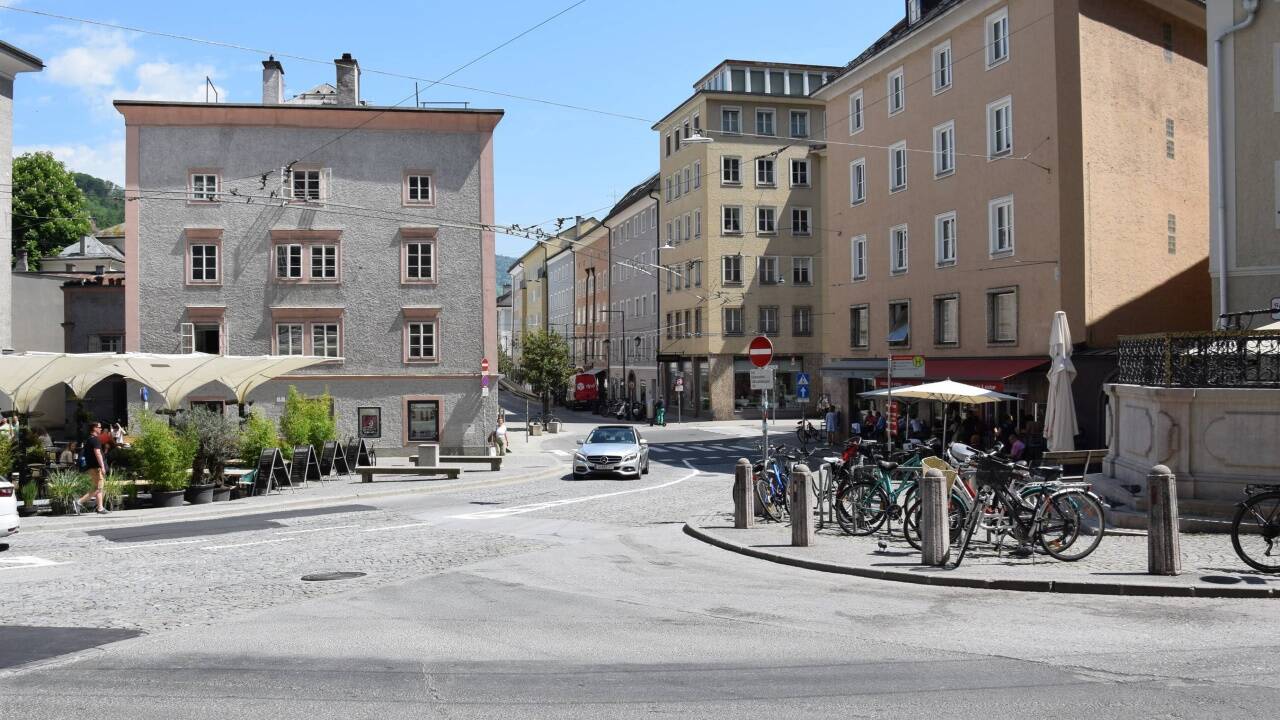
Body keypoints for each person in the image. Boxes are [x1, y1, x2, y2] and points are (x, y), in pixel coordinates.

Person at [75, 422, 109, 515]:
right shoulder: (95, 440)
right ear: (94, 428)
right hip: (96, 468)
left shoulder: (89, 439)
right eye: (99, 427)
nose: (101, 429)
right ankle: (79, 502)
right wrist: (102, 466)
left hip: (91, 467)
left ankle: (100, 508)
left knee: (98, 487)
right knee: (98, 488)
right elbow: (98, 453)